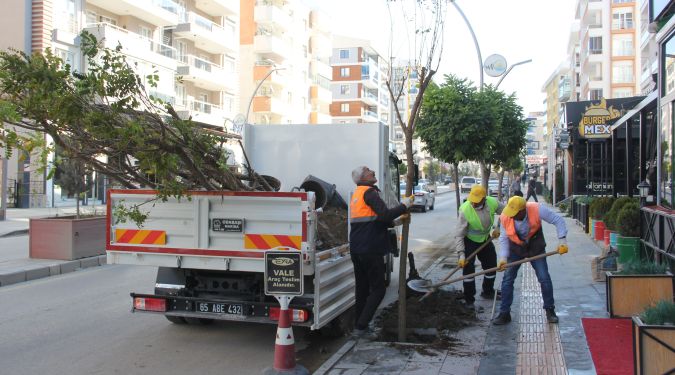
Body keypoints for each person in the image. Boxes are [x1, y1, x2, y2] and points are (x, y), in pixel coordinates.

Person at [349, 166, 412, 337]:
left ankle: (358, 326)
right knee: (378, 289)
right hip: (370, 249)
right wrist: (404, 206)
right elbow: (384, 215)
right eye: (369, 171)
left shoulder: (357, 194)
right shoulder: (370, 193)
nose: (373, 172)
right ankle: (362, 326)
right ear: (363, 177)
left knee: (362, 288)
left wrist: (397, 222)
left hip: (357, 248)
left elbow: (375, 220)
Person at [493, 196, 568, 325]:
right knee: (507, 279)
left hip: (535, 246)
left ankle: (550, 310)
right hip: (516, 248)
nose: (512, 216)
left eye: (515, 214)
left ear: (523, 210)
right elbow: (504, 238)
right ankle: (504, 313)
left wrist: (562, 241)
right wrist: (503, 258)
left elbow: (558, 220)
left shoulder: (537, 209)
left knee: (544, 278)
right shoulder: (505, 216)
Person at [454, 185, 504, 309]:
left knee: (491, 264)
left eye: (477, 201)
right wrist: (461, 254)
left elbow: (506, 213)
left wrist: (498, 227)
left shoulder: (492, 202)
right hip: (469, 240)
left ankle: (487, 291)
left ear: (484, 199)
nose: (474, 204)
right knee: (468, 268)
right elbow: (459, 234)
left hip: (486, 239)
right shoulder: (465, 210)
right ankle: (469, 298)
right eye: (472, 201)